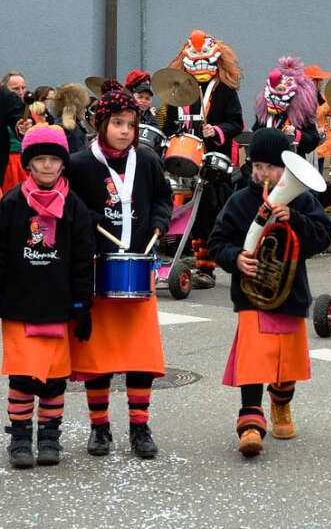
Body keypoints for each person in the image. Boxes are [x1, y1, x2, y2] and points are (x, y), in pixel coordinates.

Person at [208, 128, 331, 458]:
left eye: (271, 168)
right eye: (258, 166)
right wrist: (235, 258)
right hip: (251, 294)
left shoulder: (302, 199)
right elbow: (217, 241)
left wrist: (295, 219)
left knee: (285, 361)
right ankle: (250, 422)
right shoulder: (239, 200)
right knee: (253, 357)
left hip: (290, 291)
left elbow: (323, 236)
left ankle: (281, 406)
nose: (263, 174)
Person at [67, 82, 172, 459]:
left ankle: (140, 427)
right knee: (100, 357)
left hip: (137, 267)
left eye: (130, 123)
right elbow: (69, 205)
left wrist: (160, 222)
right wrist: (87, 219)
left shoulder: (146, 161)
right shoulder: (80, 164)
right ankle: (99, 428)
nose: (125, 130)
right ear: (101, 123)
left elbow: (162, 196)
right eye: (117, 123)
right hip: (99, 268)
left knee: (139, 356)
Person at [1, 125, 95, 467]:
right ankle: (21, 438)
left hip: (58, 305)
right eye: (39, 160)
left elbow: (84, 260)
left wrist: (83, 304)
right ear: (28, 164)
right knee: (23, 376)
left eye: (53, 160)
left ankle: (49, 436)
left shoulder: (75, 207)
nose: (46, 166)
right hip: (19, 305)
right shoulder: (11, 203)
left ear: (62, 164)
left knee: (54, 380)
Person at [162, 30, 245, 288]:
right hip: (184, 156)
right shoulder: (177, 93)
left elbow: (237, 123)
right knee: (182, 210)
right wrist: (174, 132)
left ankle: (207, 267)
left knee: (209, 211)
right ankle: (186, 257)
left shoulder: (225, 91)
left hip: (213, 159)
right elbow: (167, 125)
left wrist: (216, 130)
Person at [253, 57, 321, 157]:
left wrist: (295, 133)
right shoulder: (267, 114)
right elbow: (255, 135)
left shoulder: (301, 115)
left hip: (294, 164)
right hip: (269, 164)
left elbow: (312, 142)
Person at [2, 72, 32, 195]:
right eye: (15, 89)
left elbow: (18, 122)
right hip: (9, 164)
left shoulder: (30, 111)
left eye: (23, 88)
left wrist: (24, 127)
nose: (20, 92)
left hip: (25, 163)